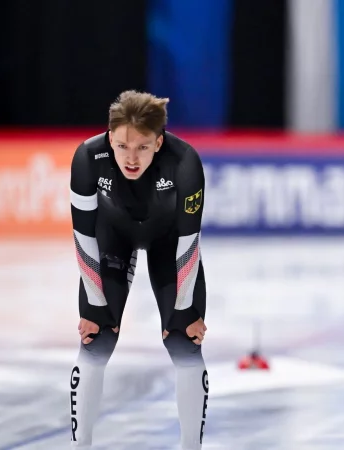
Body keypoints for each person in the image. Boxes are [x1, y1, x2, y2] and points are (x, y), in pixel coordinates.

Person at [68, 90, 209, 449]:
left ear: (159, 143)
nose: (131, 158)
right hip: (112, 238)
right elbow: (83, 235)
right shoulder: (88, 157)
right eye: (122, 146)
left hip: (169, 243)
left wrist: (185, 309)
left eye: (142, 147)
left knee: (183, 339)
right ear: (109, 138)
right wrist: (95, 303)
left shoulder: (185, 161)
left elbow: (189, 241)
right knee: (97, 337)